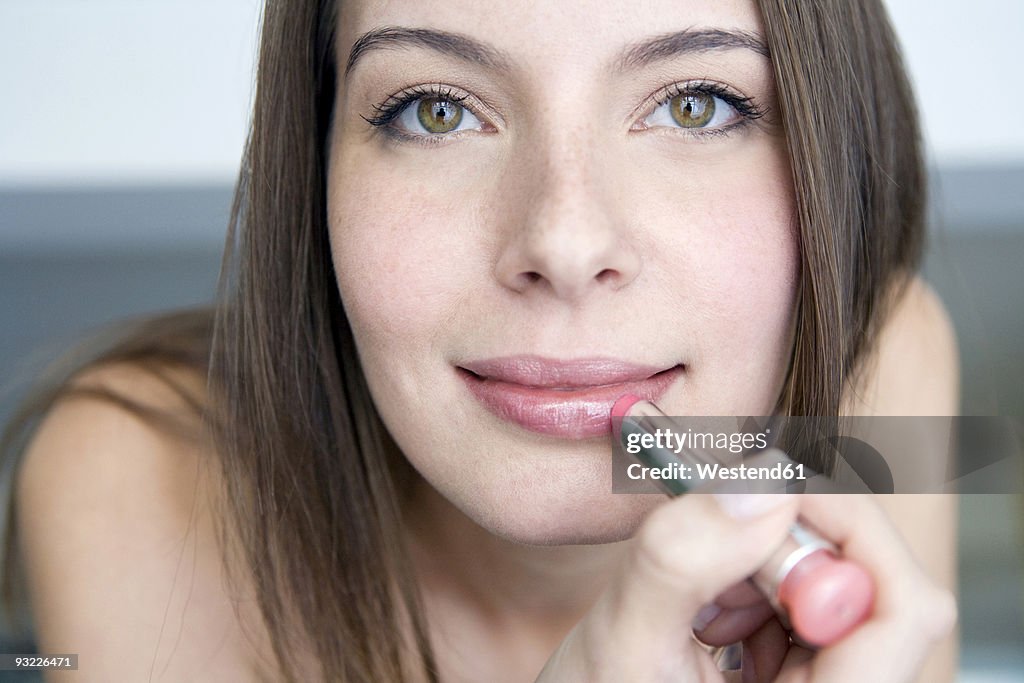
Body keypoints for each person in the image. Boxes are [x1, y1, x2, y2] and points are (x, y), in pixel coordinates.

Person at [3, 0, 960, 680]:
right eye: (437, 110)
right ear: (317, 173)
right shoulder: (138, 479)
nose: (567, 244)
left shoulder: (882, 363)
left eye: (694, 103)